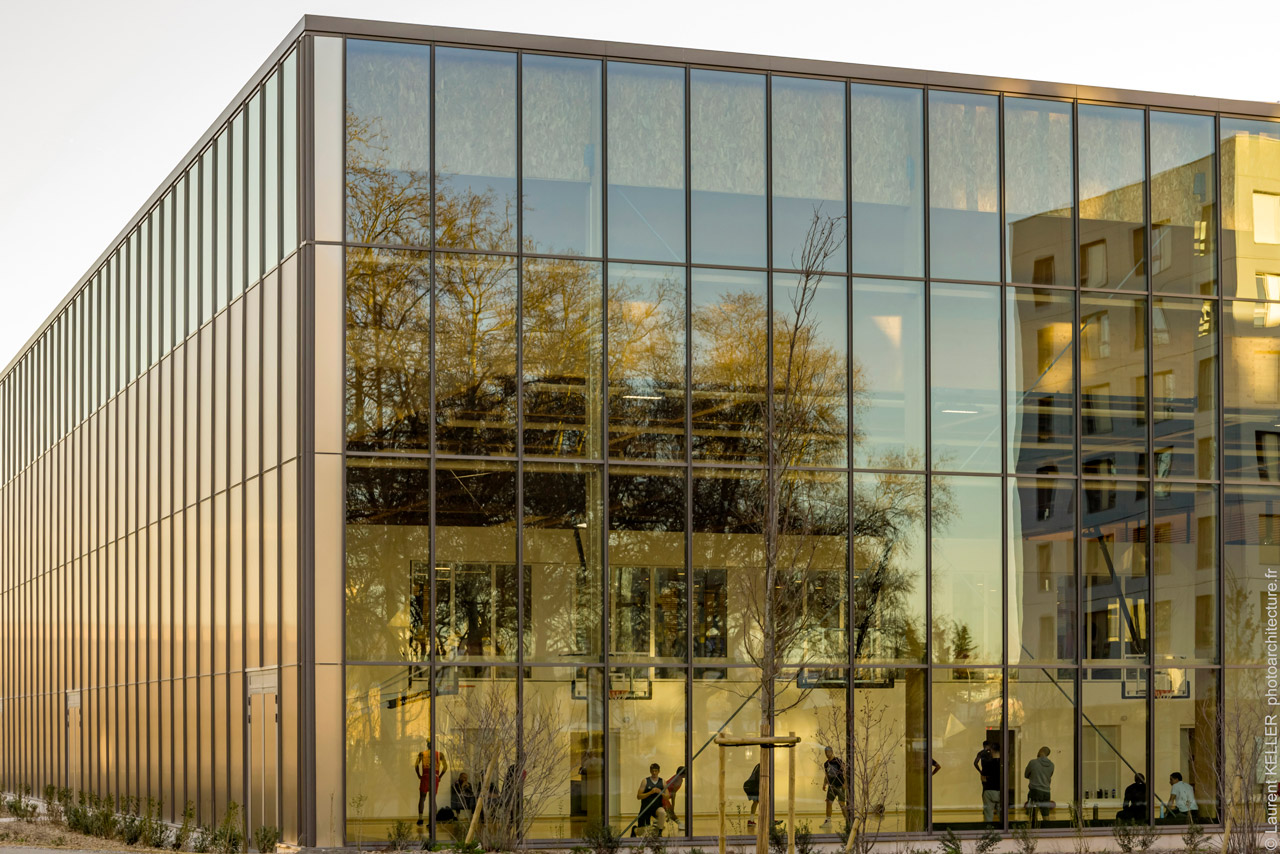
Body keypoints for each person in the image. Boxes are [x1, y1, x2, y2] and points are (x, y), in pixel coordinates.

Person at [415, 744, 448, 826]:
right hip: (435, 777)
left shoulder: (422, 753)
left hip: (425, 776)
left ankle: (420, 819)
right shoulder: (439, 754)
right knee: (433, 799)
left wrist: (419, 775)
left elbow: (416, 765)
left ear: (427, 744)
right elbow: (445, 767)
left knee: (422, 798)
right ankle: (432, 821)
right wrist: (440, 776)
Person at [1023, 746, 1054, 827]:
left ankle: (1033, 831)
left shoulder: (1033, 762)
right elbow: (1049, 776)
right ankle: (1047, 830)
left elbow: (1026, 775)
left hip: (1035, 790)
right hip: (1047, 791)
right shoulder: (1051, 765)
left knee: (1033, 814)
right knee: (1046, 813)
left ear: (1040, 751)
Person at [635, 763, 668, 835]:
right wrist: (650, 792)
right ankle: (634, 830)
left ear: (659, 771)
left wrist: (660, 792)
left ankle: (659, 831)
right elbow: (638, 796)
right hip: (646, 807)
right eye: (652, 771)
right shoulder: (645, 781)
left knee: (662, 812)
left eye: (656, 771)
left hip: (656, 807)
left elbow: (667, 797)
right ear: (650, 771)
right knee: (641, 833)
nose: (654, 773)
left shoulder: (662, 782)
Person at [821, 747, 847, 830]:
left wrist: (845, 783)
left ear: (832, 752)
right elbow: (827, 775)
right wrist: (824, 783)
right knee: (828, 802)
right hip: (831, 786)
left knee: (842, 804)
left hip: (839, 786)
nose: (827, 754)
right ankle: (828, 821)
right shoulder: (826, 764)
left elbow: (845, 771)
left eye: (828, 752)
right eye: (825, 752)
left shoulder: (838, 761)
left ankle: (848, 822)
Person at [980, 743, 1002, 826]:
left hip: (989, 790)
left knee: (988, 815)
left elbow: (983, 777)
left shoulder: (987, 763)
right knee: (1002, 815)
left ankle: (988, 831)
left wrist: (985, 784)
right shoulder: (1004, 763)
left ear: (992, 750)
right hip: (1000, 790)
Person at [663, 766, 687, 831]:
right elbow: (673, 794)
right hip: (662, 796)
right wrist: (673, 807)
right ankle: (679, 824)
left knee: (668, 811)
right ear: (683, 773)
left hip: (663, 795)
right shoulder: (679, 779)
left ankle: (658, 824)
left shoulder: (676, 777)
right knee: (670, 811)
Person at [743, 763, 761, 830]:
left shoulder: (758, 766)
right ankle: (769, 820)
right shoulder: (761, 766)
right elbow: (759, 778)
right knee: (760, 802)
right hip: (756, 787)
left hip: (753, 787)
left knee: (756, 802)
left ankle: (751, 819)